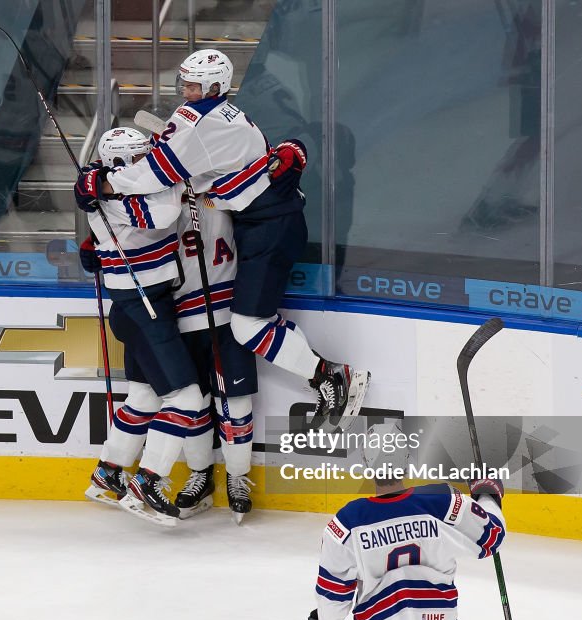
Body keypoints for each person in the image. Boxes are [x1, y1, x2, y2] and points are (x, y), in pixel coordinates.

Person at [74, 48, 369, 427]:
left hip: (270, 225)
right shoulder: (218, 115)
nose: (187, 91)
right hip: (261, 222)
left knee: (248, 325)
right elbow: (190, 179)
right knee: (251, 323)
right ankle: (326, 374)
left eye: (194, 85)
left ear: (216, 85)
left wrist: (102, 182)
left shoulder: (202, 122)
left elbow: (156, 176)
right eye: (185, 83)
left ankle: (330, 376)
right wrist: (112, 243)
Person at [308, 421, 507, 620]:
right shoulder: (442, 501)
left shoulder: (347, 522)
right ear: (406, 459)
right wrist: (487, 494)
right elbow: (492, 536)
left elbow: (335, 591)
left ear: (367, 464)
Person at [78, 127, 202, 527]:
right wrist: (177, 178)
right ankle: (148, 481)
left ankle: (109, 472)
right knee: (186, 399)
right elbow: (164, 215)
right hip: (144, 306)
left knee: (146, 396)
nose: (147, 164)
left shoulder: (107, 187)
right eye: (140, 158)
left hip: (136, 305)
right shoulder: (120, 202)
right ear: (121, 163)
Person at [170, 191, 258, 524]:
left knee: (236, 402)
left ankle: (237, 477)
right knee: (193, 403)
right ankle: (200, 475)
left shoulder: (226, 187)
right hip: (179, 316)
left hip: (227, 314)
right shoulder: (157, 195)